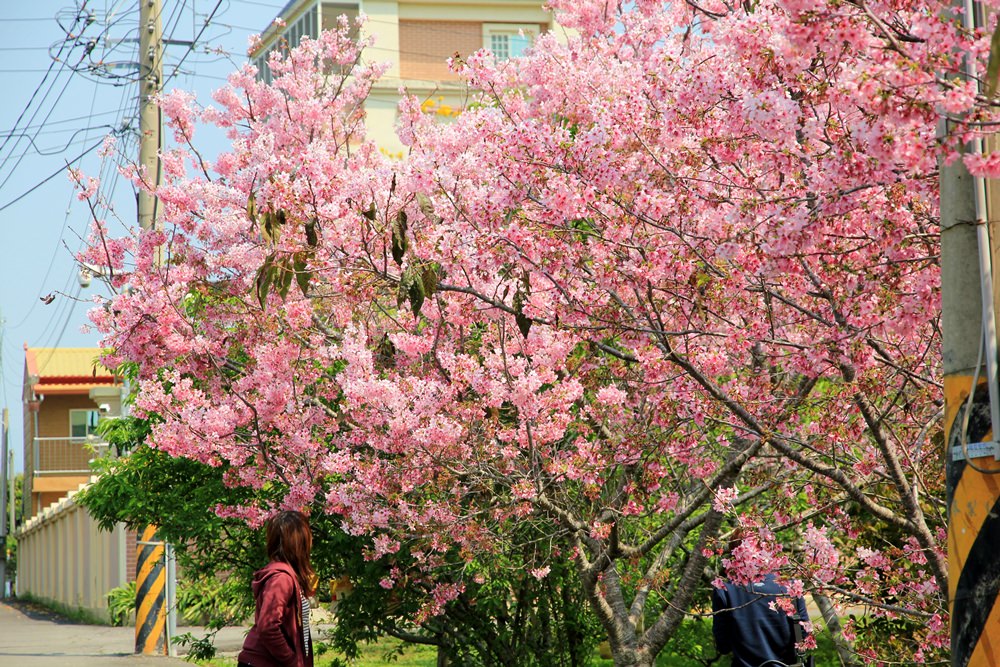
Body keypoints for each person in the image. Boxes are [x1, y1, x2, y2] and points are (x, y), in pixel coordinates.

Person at [238, 510, 316, 667]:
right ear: (299, 541)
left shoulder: (289, 575)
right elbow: (268, 626)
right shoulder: (281, 578)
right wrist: (291, 660)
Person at [712, 572, 811, 667]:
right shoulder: (791, 586)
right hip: (785, 663)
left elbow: (723, 645)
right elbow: (804, 634)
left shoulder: (725, 588)